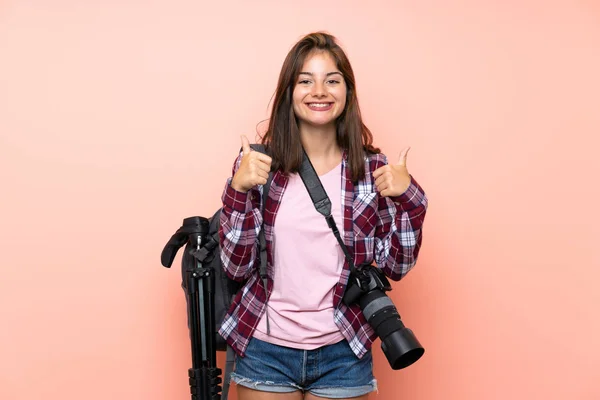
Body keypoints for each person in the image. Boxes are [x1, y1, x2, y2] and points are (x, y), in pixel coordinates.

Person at [218, 31, 428, 400]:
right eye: (305, 81)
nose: (319, 91)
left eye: (332, 80)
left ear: (347, 92)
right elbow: (236, 268)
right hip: (266, 348)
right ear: (289, 92)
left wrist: (409, 199)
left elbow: (396, 265)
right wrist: (237, 190)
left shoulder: (373, 170)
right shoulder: (258, 165)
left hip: (343, 349)